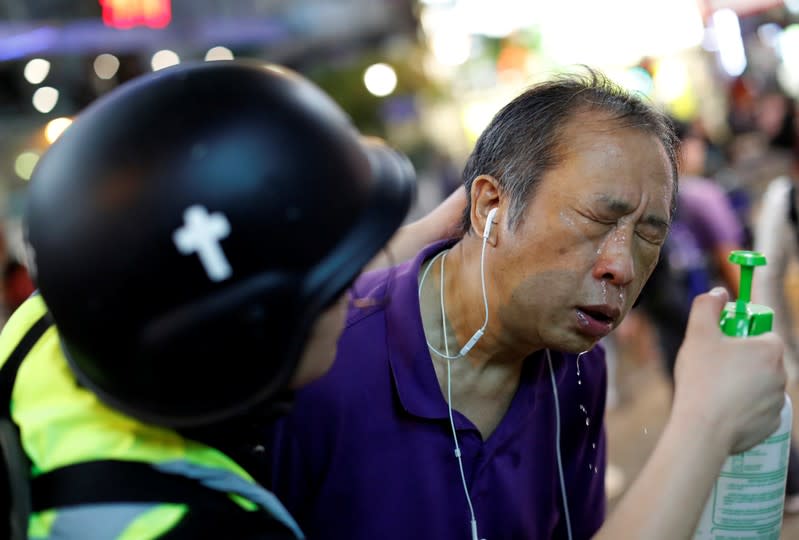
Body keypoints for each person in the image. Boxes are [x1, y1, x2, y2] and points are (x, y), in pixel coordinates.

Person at [261, 70, 787, 540]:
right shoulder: (322, 360)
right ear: (491, 204)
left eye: (649, 236)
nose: (622, 267)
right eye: (597, 219)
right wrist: (704, 423)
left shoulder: (578, 372)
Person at [0, 60, 430, 540]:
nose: (353, 295)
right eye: (334, 286)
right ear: (247, 339)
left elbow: (205, 273)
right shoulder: (196, 529)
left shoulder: (54, 327)